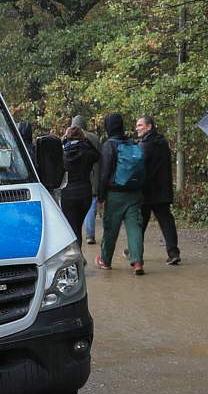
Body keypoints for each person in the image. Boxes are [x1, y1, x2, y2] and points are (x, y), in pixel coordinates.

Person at [96, 113, 147, 275]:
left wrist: (101, 196)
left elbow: (104, 174)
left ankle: (105, 260)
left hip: (115, 194)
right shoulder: (132, 144)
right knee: (135, 228)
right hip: (135, 193)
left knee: (111, 228)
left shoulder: (109, 145)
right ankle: (137, 261)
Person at [136, 116, 182, 265]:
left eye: (140, 125)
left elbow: (140, 168)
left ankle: (135, 251)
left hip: (147, 190)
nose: (137, 128)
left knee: (140, 222)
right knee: (166, 221)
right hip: (162, 190)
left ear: (149, 127)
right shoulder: (162, 143)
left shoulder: (144, 145)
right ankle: (173, 252)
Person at [60, 125, 100, 244]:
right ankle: (78, 255)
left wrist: (64, 139)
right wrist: (86, 140)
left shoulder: (62, 153)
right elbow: (97, 155)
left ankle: (77, 257)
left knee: (73, 227)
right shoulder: (87, 152)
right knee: (77, 225)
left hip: (68, 195)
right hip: (84, 194)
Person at [72, 115, 103, 245]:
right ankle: (90, 235)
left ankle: (75, 236)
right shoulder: (94, 138)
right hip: (94, 177)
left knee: (73, 210)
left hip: (77, 180)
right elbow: (100, 158)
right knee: (91, 207)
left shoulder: (70, 136)